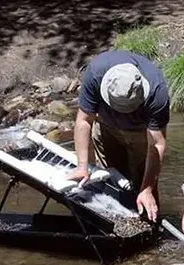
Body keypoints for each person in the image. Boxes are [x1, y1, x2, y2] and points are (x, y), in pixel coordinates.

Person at [67, 50, 170, 222]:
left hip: (140, 133)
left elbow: (157, 144)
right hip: (105, 126)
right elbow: (84, 121)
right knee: (107, 178)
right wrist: (82, 166)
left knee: (142, 184)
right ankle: (108, 223)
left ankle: (150, 227)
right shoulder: (95, 73)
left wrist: (147, 188)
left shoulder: (157, 92)